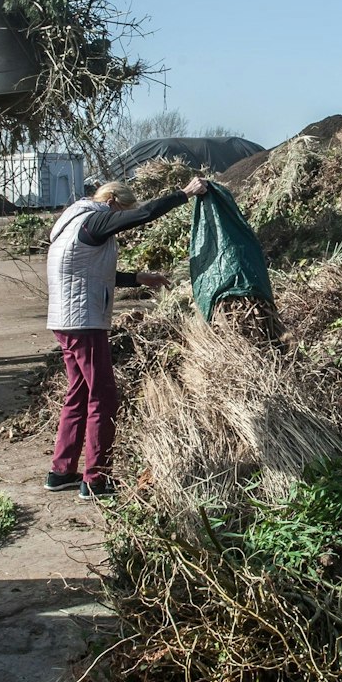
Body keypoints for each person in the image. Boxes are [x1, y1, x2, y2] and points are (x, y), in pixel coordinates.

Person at [45, 176, 209, 499]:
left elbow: (89, 271)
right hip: (84, 322)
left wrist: (138, 277)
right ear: (111, 203)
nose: (121, 218)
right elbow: (145, 214)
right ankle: (95, 480)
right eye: (122, 210)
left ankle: (60, 471)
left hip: (65, 321)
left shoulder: (70, 225)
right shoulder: (95, 219)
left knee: (78, 393)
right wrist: (184, 193)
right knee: (103, 395)